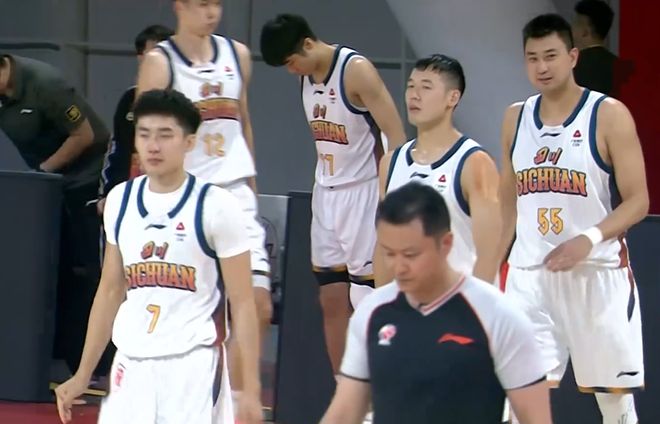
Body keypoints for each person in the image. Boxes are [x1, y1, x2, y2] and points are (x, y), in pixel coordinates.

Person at [54, 89, 262, 424]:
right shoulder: (120, 201)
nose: (153, 145)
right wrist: (83, 374)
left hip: (193, 364)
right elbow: (110, 290)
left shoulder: (217, 206)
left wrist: (250, 389)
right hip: (131, 362)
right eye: (144, 134)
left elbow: (243, 303)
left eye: (165, 135)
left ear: (189, 142)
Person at [499, 13, 648, 424]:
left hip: (595, 274)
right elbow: (506, 204)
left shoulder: (608, 114)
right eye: (532, 58)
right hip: (530, 275)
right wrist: (487, 271)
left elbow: (638, 201)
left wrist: (589, 238)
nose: (542, 67)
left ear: (573, 56)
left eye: (551, 56)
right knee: (517, 403)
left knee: (615, 407)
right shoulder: (515, 117)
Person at [320, 183, 552, 424]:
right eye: (390, 253)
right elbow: (344, 412)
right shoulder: (371, 313)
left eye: (410, 254)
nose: (399, 267)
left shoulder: (500, 317)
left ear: (446, 244)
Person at [135, 0, 272, 405]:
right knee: (185, 314)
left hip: (234, 192)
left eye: (216, 3)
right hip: (184, 197)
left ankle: (239, 403)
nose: (211, 12)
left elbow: (243, 120)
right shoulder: (161, 62)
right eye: (202, 3)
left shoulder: (237, 54)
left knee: (257, 304)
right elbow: (145, 135)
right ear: (180, 6)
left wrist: (252, 183)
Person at [259, 13, 407, 374]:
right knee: (331, 298)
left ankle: (375, 386)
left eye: (291, 62)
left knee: (368, 298)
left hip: (364, 191)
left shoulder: (356, 71)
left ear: (308, 44)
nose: (291, 71)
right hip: (325, 193)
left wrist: (391, 197)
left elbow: (396, 136)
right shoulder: (306, 77)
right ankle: (344, 388)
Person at [0, 53, 110, 377]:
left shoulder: (45, 83)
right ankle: (56, 355)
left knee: (87, 269)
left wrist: (42, 172)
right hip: (48, 189)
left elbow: (84, 135)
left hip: (86, 181)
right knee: (53, 270)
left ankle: (98, 362)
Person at [378, 53, 501, 285]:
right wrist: (381, 299)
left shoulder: (474, 162)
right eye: (410, 86)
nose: (414, 95)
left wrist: (472, 305)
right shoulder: (391, 163)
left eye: (426, 87)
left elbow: (490, 253)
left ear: (452, 97)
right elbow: (383, 244)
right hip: (406, 300)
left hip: (455, 299)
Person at [98, 24, 175, 210]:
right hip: (132, 193)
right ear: (141, 58)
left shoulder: (185, 102)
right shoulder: (128, 99)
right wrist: (107, 194)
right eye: (154, 55)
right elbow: (117, 150)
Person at [571, 0, 619, 96]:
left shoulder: (570, 67)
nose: (571, 29)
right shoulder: (620, 67)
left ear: (585, 31)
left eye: (575, 24)